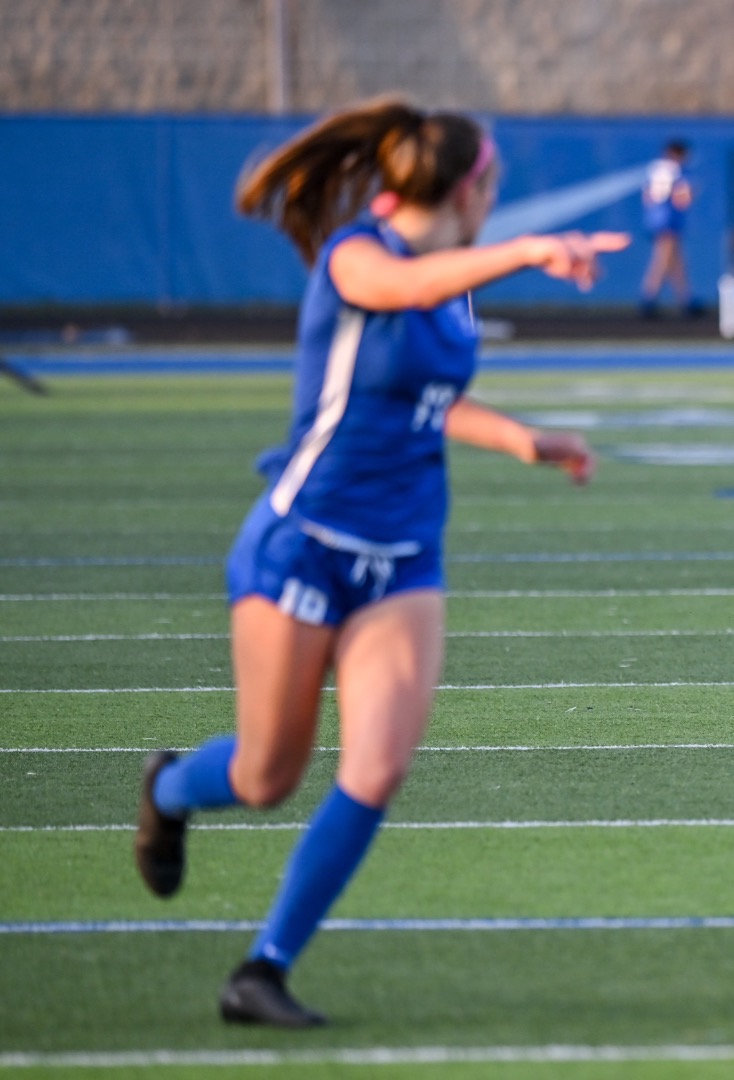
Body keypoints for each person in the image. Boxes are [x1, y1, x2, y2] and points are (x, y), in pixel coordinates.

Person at [132, 97, 626, 1028]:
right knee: (266, 776)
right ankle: (167, 788)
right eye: (495, 191)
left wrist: (525, 440)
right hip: (303, 541)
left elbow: (424, 398)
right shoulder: (358, 254)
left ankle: (264, 968)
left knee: (377, 766)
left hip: (404, 553)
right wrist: (527, 251)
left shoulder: (453, 279)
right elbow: (395, 294)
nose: (498, 209)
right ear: (466, 187)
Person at [638, 139, 696, 318]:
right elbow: (683, 199)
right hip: (668, 222)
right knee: (662, 260)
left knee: (675, 262)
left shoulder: (655, 170)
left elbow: (647, 196)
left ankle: (685, 300)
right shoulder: (675, 172)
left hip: (657, 221)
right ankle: (648, 299)